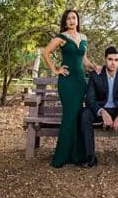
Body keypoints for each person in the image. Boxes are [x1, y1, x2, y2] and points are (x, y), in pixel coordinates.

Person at [40, 9, 100, 168]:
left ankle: (77, 155)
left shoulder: (84, 37)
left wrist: (94, 67)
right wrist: (55, 70)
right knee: (69, 116)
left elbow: (84, 60)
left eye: (74, 18)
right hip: (67, 82)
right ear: (65, 22)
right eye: (68, 19)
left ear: (78, 20)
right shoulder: (62, 37)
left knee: (78, 116)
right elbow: (45, 52)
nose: (72, 21)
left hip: (81, 82)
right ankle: (61, 157)